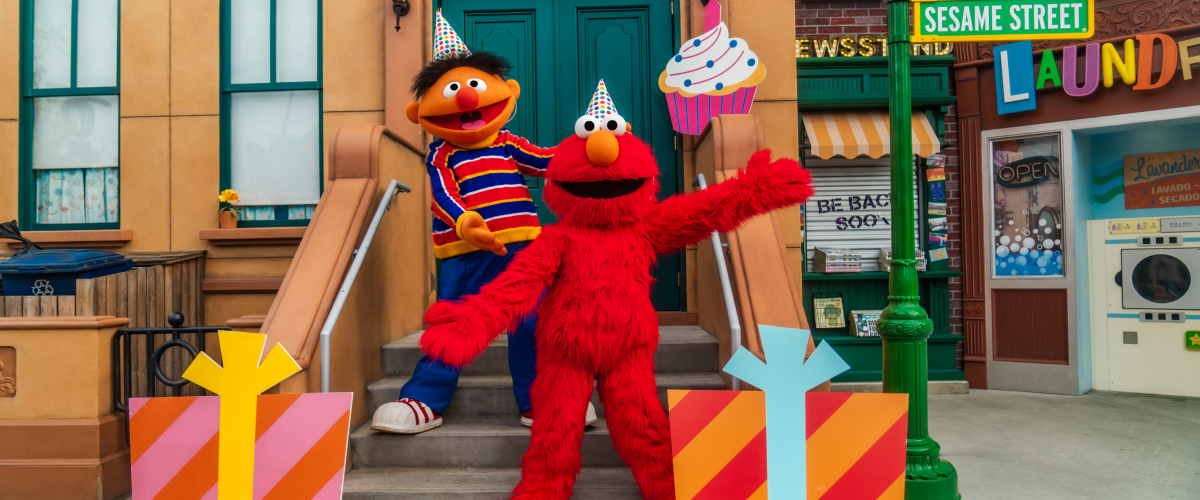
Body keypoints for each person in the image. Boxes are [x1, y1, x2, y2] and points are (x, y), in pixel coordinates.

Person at [370, 11, 596, 435]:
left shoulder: (508, 142)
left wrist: (588, 152)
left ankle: (541, 400)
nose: (467, 101)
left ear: (507, 92)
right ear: (419, 111)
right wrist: (467, 224)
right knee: (455, 322)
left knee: (531, 323)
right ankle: (424, 399)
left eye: (474, 87)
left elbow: (548, 162)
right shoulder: (441, 154)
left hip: (523, 252)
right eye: (452, 91)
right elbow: (445, 195)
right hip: (467, 254)